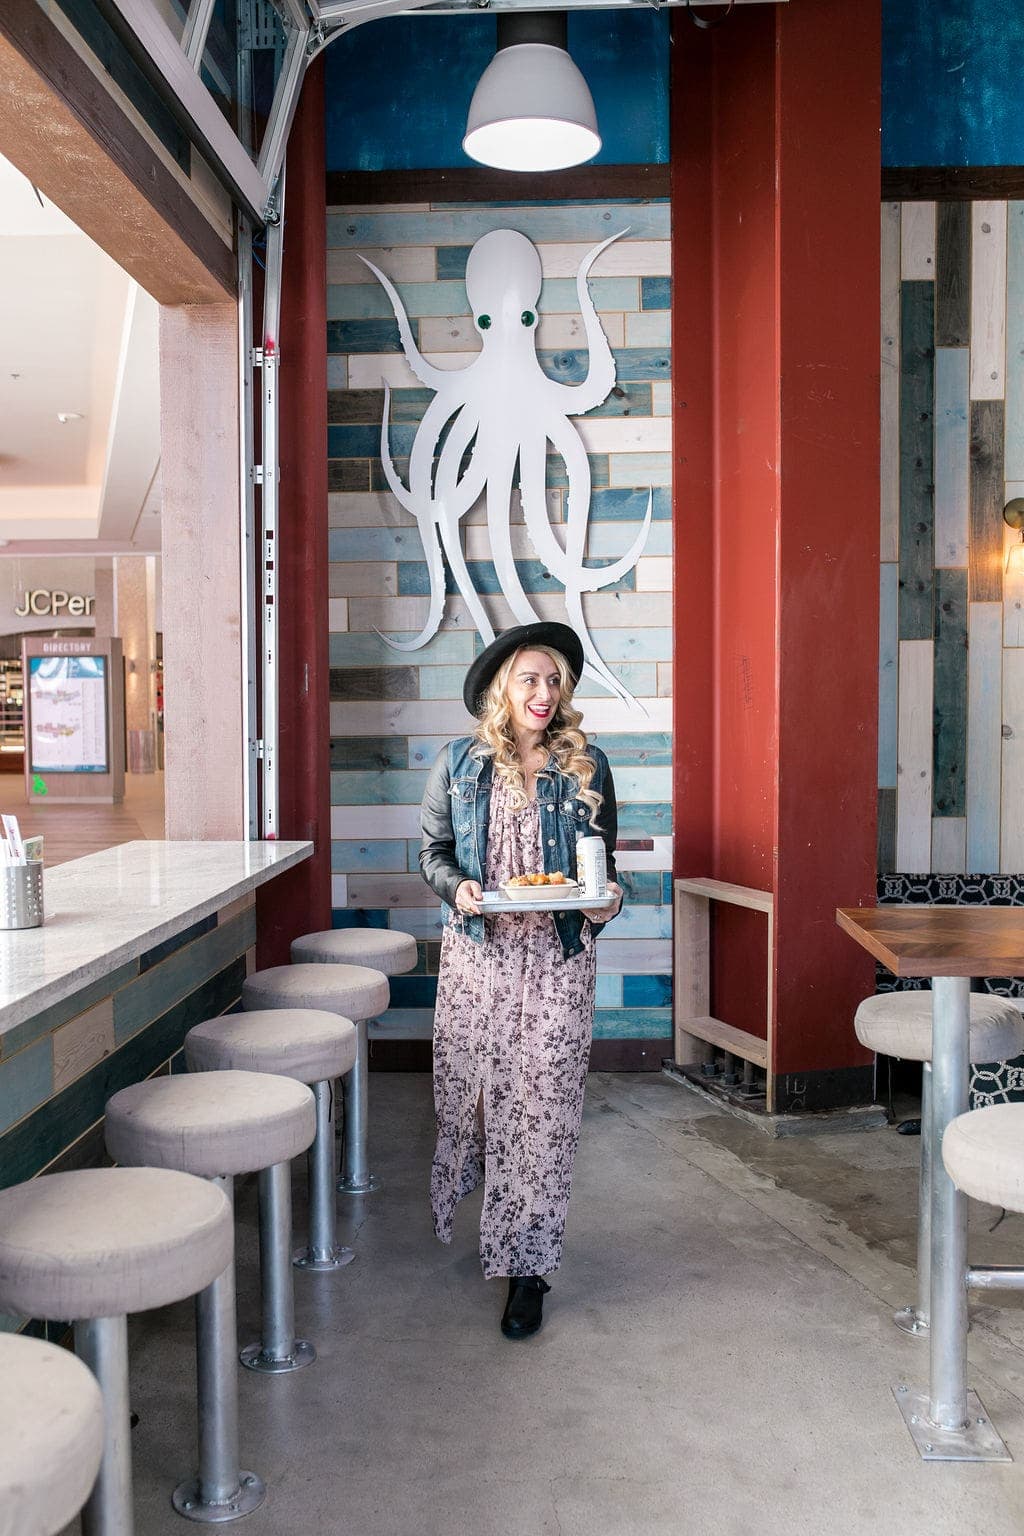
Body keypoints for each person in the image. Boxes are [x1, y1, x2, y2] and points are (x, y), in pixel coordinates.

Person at [419, 621, 623, 1340]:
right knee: (480, 1103)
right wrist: (458, 890)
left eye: (554, 680)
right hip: (480, 955)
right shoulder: (457, 764)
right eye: (529, 678)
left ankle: (527, 1269)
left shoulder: (586, 764)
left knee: (544, 1110)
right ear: (503, 686)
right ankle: (489, 1208)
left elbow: (604, 870)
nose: (543, 692)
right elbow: (435, 853)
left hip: (558, 960)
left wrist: (607, 900)